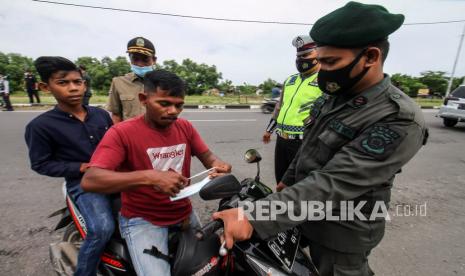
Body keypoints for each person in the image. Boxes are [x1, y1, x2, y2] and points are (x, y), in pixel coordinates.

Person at [213, 2, 429, 276]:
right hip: (301, 214)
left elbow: (335, 181)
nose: (322, 71)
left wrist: (257, 216)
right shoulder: (335, 95)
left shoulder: (397, 117)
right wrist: (288, 180)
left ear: (371, 57)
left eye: (330, 62)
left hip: (341, 232)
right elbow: (309, 143)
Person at [81, 69, 232, 276]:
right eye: (164, 103)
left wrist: (219, 167)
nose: (173, 111)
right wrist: (150, 176)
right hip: (143, 221)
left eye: (179, 105)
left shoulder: (185, 127)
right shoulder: (121, 133)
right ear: (144, 99)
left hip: (184, 214)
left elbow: (209, 158)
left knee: (213, 266)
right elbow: (90, 180)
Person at [24, 56, 114, 276]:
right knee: (102, 229)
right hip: (82, 183)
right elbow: (41, 164)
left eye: (78, 82)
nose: (73, 88)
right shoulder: (40, 126)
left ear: (84, 83)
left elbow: (118, 145)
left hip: (114, 176)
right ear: (46, 87)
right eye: (63, 83)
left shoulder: (101, 115)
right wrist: (80, 167)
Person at [262, 35, 322, 183]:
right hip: (281, 140)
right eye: (299, 56)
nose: (301, 59)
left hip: (304, 143)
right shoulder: (290, 80)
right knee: (281, 181)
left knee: (300, 184)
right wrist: (269, 130)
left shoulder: (324, 80)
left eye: (306, 55)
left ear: (319, 53)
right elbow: (279, 107)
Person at [107, 36, 157, 124]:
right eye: (135, 59)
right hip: (128, 136)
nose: (140, 64)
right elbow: (116, 115)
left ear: (154, 60)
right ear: (130, 59)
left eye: (145, 59)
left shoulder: (163, 83)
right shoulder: (118, 82)